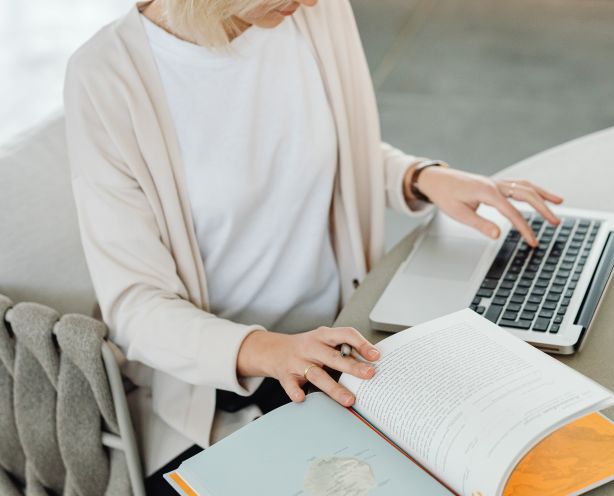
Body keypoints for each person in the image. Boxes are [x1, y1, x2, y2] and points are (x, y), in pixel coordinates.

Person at [64, 0, 563, 492]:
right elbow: (135, 306)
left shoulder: (311, 13)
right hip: (222, 387)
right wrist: (274, 351)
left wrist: (419, 177)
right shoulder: (106, 76)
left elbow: (333, 152)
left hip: (350, 340)